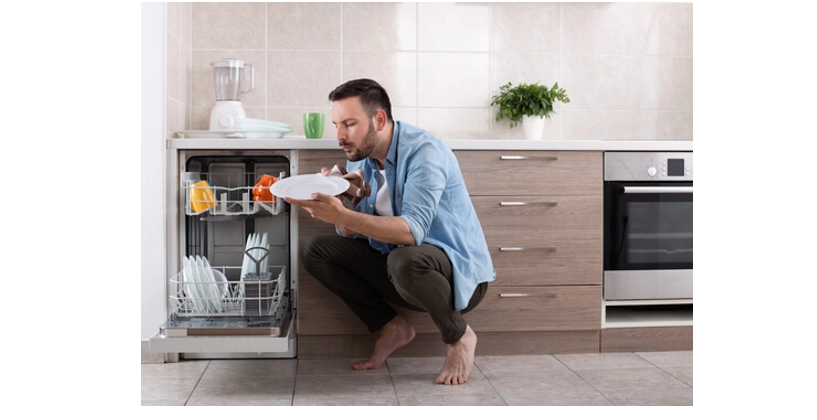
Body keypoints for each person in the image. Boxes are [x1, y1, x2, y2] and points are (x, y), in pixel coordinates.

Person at [284, 78, 495, 385]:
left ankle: (458, 335)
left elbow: (412, 232)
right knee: (317, 250)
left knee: (405, 259)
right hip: (402, 273)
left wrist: (342, 213)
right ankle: (391, 326)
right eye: (336, 124)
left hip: (456, 279)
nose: (340, 136)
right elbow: (347, 229)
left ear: (379, 119)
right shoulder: (363, 156)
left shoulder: (424, 152)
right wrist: (344, 199)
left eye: (349, 124)